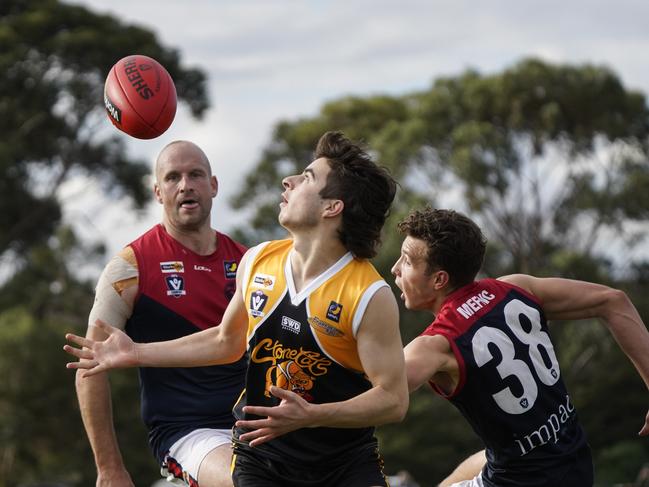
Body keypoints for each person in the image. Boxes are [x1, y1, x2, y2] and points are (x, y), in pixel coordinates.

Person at [65, 131, 410, 487]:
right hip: (232, 444)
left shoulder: (366, 293)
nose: (288, 180)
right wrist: (135, 355)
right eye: (172, 177)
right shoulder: (252, 262)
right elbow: (224, 340)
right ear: (158, 192)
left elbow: (394, 401)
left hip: (331, 453)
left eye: (306, 177)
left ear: (331, 207)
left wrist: (311, 415)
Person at [391, 206, 649, 487]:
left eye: (406, 261)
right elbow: (614, 300)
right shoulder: (515, 288)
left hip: (521, 482)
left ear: (439, 279)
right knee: (485, 459)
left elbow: (381, 395)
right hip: (575, 465)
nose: (395, 269)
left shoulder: (435, 345)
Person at [74, 140, 247, 487]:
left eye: (196, 174)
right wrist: (109, 468)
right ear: (158, 192)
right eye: (173, 177)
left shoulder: (247, 261)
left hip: (254, 427)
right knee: (247, 479)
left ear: (213, 185)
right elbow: (89, 367)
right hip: (187, 433)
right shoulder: (129, 267)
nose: (185, 185)